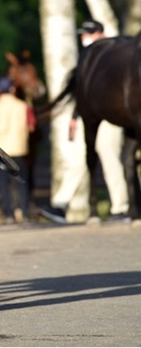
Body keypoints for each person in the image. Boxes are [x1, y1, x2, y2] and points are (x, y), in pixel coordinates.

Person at [39, 19, 130, 224]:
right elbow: (83, 93)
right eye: (82, 34)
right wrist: (74, 117)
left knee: (109, 158)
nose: (84, 38)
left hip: (112, 116)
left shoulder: (114, 55)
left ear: (101, 33)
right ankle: (61, 205)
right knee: (79, 158)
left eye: (89, 34)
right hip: (88, 115)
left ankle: (120, 207)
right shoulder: (89, 57)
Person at [0, 77, 36, 224]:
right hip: (19, 149)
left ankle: (8, 213)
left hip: (1, 151)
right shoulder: (24, 106)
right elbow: (32, 126)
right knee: (21, 182)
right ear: (13, 89)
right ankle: (24, 212)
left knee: (3, 183)